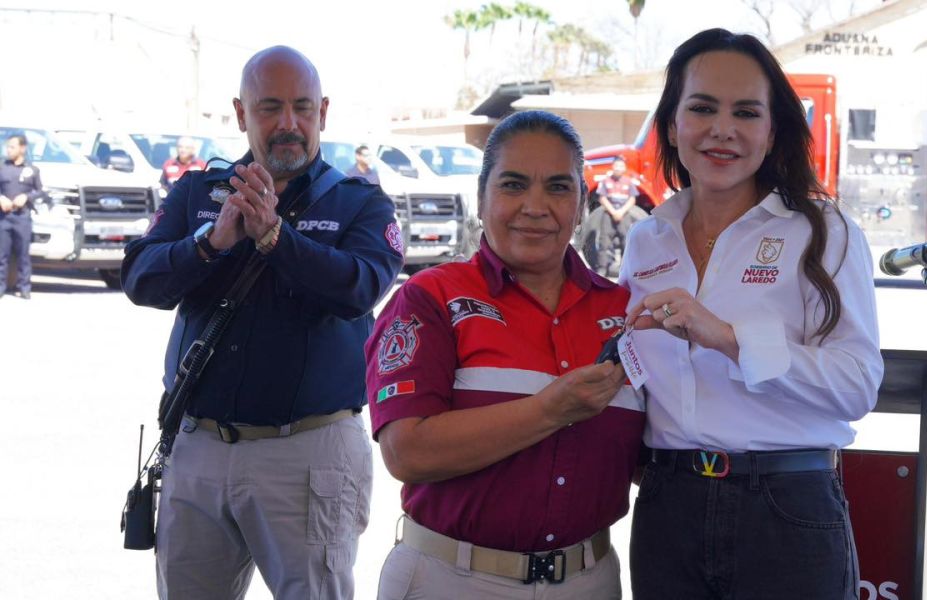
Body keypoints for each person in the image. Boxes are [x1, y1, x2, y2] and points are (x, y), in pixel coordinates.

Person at [122, 46, 404, 599]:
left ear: (322, 113)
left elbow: (360, 287)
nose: (288, 124)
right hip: (198, 447)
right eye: (270, 107)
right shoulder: (199, 194)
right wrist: (211, 242)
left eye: (302, 107)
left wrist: (277, 239)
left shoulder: (359, 204)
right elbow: (140, 278)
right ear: (240, 112)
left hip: (308, 451)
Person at [618, 29, 884, 599]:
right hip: (669, 504)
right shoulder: (647, 239)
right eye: (702, 108)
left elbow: (859, 385)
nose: (723, 129)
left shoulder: (822, 232)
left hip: (786, 507)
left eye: (746, 112)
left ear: (772, 131)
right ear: (671, 125)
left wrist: (728, 338)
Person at [367, 110, 643, 599]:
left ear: (581, 205)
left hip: (589, 580)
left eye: (558, 188)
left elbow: (649, 455)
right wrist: (550, 410)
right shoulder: (431, 298)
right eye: (513, 185)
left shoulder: (624, 311)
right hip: (451, 580)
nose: (535, 207)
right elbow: (406, 451)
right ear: (481, 197)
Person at [583, 156, 647, 278]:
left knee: (626, 242)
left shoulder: (628, 182)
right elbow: (602, 198)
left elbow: (632, 199)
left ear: (624, 168)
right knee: (604, 242)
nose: (618, 168)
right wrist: (613, 212)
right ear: (613, 167)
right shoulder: (606, 181)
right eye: (616, 166)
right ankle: (602, 269)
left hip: (624, 215)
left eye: (621, 166)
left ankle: (626, 270)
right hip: (608, 215)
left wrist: (621, 212)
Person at [0, 134, 41, 300]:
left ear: (22, 148)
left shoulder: (32, 169)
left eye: (12, 147)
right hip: (4, 217)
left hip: (22, 217)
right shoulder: (2, 167)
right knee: (2, 255)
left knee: (23, 255)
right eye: (7, 147)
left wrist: (27, 197)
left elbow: (40, 191)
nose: (8, 150)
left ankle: (24, 287)